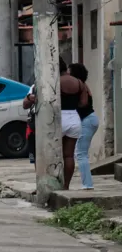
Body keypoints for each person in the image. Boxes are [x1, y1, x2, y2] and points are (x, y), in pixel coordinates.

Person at [68, 63, 98, 190]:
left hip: (87, 121)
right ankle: (87, 183)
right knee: (80, 153)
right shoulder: (82, 86)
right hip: (89, 120)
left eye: (69, 73)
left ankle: (87, 185)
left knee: (81, 154)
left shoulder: (80, 87)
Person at [60, 58, 88, 190]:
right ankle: (66, 186)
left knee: (55, 155)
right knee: (69, 155)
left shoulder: (54, 81)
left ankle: (54, 184)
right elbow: (83, 103)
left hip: (58, 118)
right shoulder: (79, 83)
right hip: (74, 118)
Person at [23, 84, 36, 170]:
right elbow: (25, 105)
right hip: (35, 124)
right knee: (36, 154)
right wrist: (29, 98)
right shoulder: (35, 87)